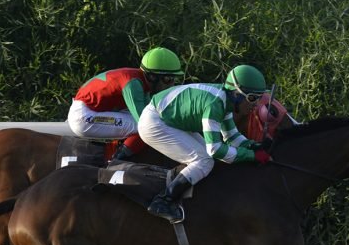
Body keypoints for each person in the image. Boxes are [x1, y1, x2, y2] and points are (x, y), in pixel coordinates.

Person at [138, 64, 272, 223]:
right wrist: (252, 156)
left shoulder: (225, 100)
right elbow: (215, 149)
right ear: (236, 94)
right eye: (252, 98)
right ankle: (162, 201)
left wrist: (253, 146)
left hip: (168, 119)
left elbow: (232, 137)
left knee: (207, 158)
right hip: (154, 123)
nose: (256, 104)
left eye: (259, 98)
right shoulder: (215, 104)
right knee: (204, 160)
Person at [67, 47, 185, 161]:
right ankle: (117, 159)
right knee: (147, 126)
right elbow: (144, 121)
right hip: (84, 117)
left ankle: (119, 154)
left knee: (149, 120)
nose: (172, 85)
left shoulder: (139, 81)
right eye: (168, 79)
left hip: (89, 111)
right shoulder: (133, 84)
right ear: (152, 77)